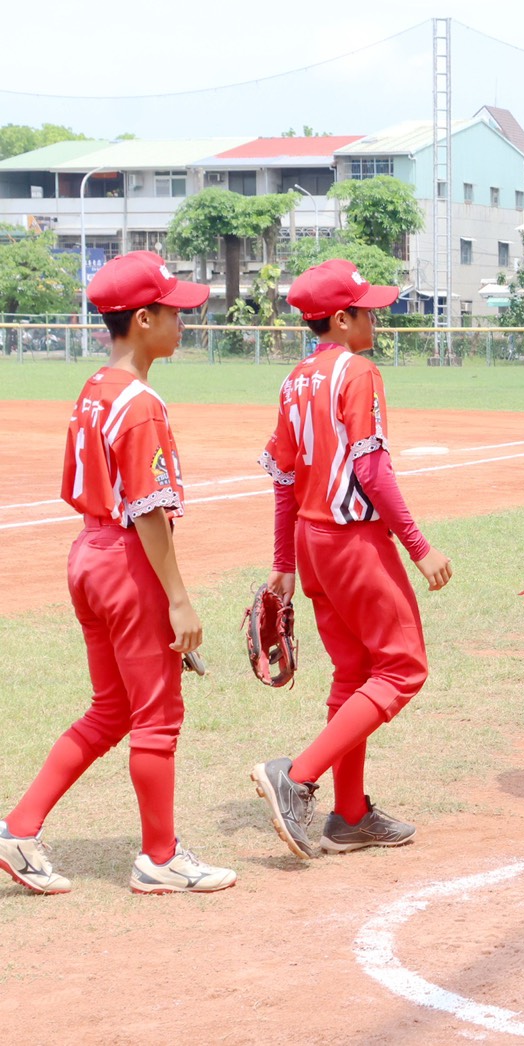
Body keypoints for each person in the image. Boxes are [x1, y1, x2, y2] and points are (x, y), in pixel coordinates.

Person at [0, 251, 235, 895]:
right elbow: (150, 512)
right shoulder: (141, 402)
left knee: (110, 711)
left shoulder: (94, 387)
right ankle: (161, 858)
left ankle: (18, 829)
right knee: (156, 715)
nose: (183, 320)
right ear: (141, 318)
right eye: (173, 310)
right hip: (128, 562)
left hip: (88, 555)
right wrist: (179, 602)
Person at [252, 260, 453, 859]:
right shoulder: (358, 371)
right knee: (402, 669)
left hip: (313, 545)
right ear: (340, 319)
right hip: (351, 541)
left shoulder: (295, 379)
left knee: (353, 673)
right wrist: (419, 546)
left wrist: (284, 560)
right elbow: (371, 468)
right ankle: (299, 776)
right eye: (366, 309)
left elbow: (284, 478)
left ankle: (350, 814)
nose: (376, 316)